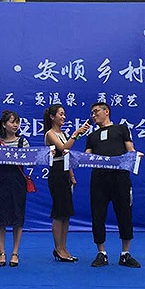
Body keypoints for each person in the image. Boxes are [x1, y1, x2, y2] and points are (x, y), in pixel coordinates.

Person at [85, 102, 141, 268]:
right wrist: (72, 155)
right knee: (98, 215)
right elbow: (86, 157)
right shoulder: (92, 136)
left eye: (96, 111)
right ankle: (101, 253)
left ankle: (125, 254)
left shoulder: (121, 129)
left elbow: (130, 149)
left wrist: (135, 155)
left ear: (106, 111)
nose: (94, 115)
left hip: (120, 178)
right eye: (92, 113)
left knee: (124, 213)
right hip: (99, 179)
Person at [43, 104, 90, 262]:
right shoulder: (50, 134)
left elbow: (67, 157)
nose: (63, 117)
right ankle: (58, 248)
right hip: (56, 173)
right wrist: (76, 134)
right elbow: (64, 148)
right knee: (59, 212)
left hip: (65, 173)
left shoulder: (63, 133)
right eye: (61, 114)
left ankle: (64, 247)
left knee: (67, 213)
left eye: (64, 114)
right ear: (52, 117)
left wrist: (72, 175)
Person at [0, 110, 29, 267]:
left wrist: (47, 154)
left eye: (17, 122)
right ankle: (2, 252)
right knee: (0, 218)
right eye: (12, 122)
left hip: (18, 183)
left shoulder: (23, 142)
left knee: (17, 218)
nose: (15, 125)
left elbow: (31, 161)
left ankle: (15, 252)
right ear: (3, 124)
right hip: (1, 182)